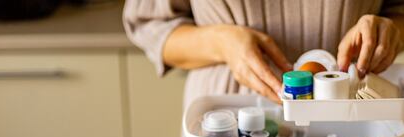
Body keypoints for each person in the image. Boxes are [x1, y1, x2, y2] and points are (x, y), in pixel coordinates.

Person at [124, 0, 404, 106]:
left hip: (354, 128)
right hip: (228, 126)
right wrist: (222, 43)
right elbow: (148, 24)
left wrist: (390, 32)